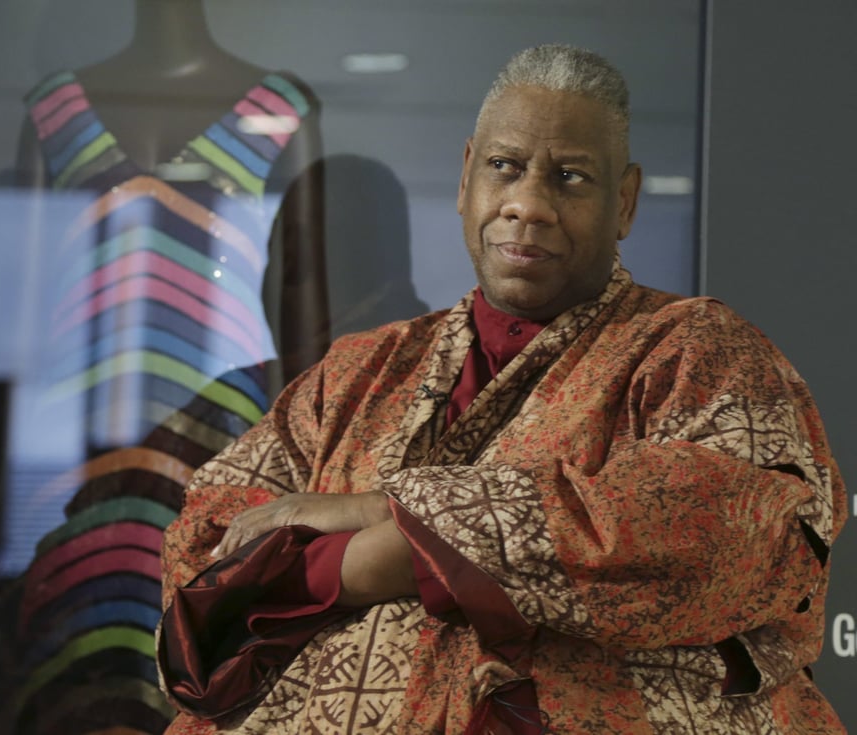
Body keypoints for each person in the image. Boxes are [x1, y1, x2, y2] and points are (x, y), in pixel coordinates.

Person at [154, 44, 847, 734]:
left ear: (625, 202)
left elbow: (722, 528)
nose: (529, 204)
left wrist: (387, 534)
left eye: (571, 176)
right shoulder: (361, 369)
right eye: (505, 167)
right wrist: (369, 561)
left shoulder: (696, 348)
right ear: (466, 178)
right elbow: (212, 534)